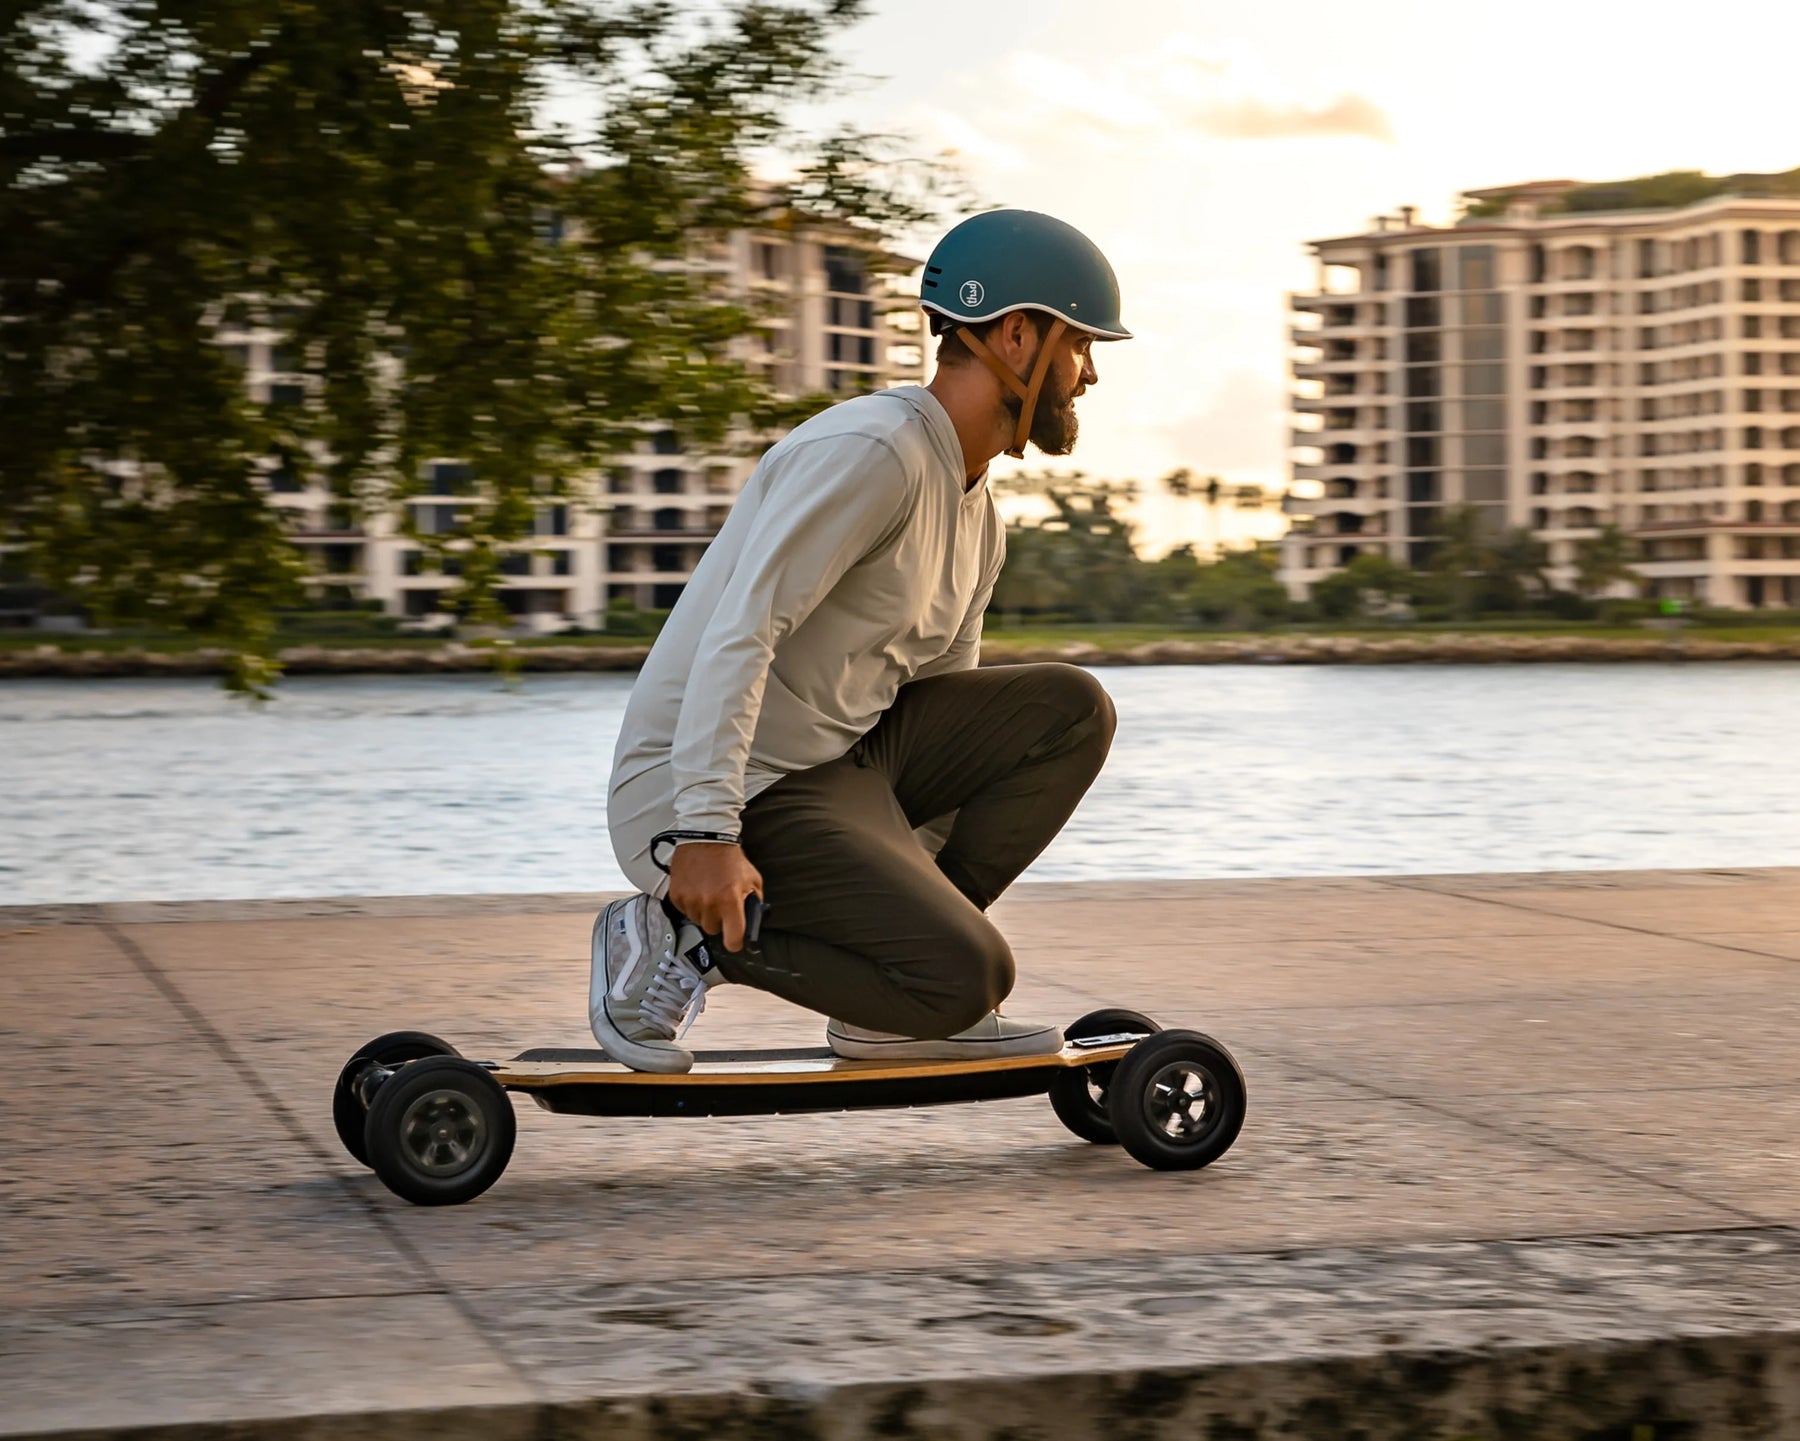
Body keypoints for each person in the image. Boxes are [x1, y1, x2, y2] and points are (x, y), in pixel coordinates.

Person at [591, 209, 1131, 1073]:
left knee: (1069, 710)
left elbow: (940, 712)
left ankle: (894, 996)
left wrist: (905, 913)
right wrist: (703, 831)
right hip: (715, 793)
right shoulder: (875, 452)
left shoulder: (976, 511)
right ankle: (675, 937)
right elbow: (741, 633)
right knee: (975, 973)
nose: (1091, 373)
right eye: (1081, 345)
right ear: (1019, 335)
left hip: (839, 773)